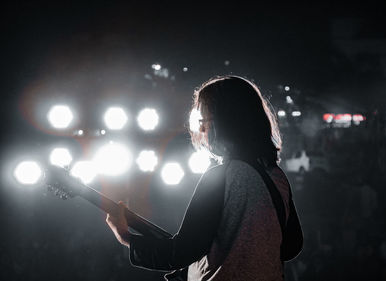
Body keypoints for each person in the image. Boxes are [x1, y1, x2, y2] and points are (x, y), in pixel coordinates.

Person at [106, 75, 303, 281]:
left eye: (203, 121)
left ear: (224, 123)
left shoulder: (221, 177)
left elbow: (181, 252)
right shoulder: (276, 177)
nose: (200, 129)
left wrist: (126, 237)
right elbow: (291, 246)